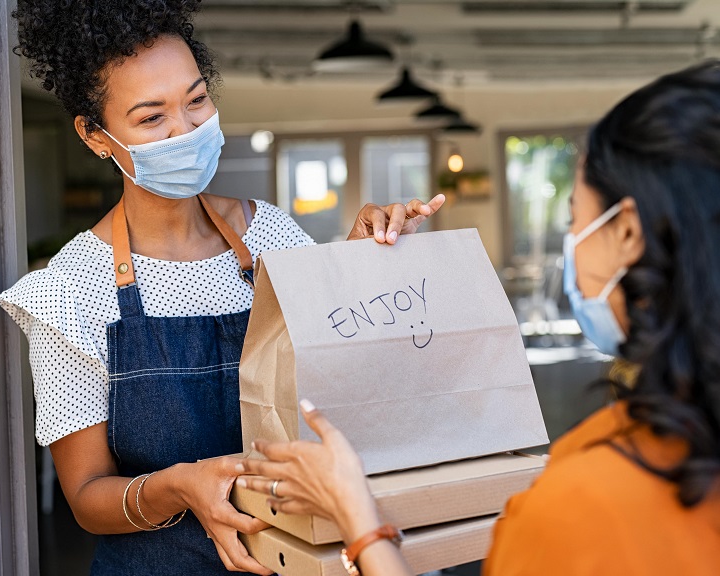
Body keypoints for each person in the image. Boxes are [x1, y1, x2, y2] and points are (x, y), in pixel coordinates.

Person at [0, 2, 444, 575]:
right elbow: (86, 496)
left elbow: (335, 372)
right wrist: (179, 487)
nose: (185, 131)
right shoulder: (68, 291)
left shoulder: (272, 237)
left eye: (197, 100)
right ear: (95, 135)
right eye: (151, 118)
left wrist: (360, 265)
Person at [238, 60, 720, 576]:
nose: (572, 240)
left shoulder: (586, 506)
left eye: (574, 218)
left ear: (626, 232)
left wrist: (358, 520)